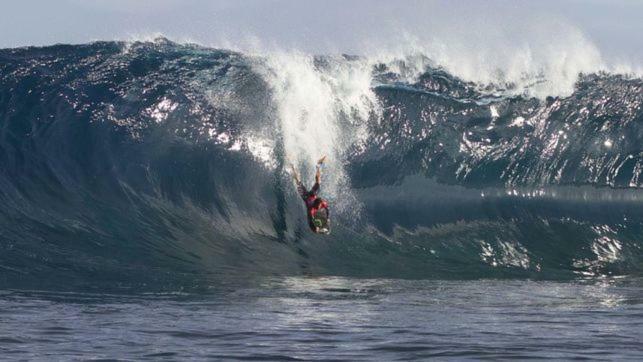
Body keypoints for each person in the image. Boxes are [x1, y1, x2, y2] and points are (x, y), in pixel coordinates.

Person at [291, 156, 330, 233]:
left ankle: (318, 165)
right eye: (319, 207)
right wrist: (316, 230)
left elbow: (327, 209)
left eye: (320, 206)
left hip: (312, 194)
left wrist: (328, 218)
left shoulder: (322, 203)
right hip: (305, 196)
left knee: (318, 181)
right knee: (298, 181)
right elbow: (310, 222)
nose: (320, 208)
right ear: (315, 205)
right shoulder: (311, 210)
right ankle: (292, 166)